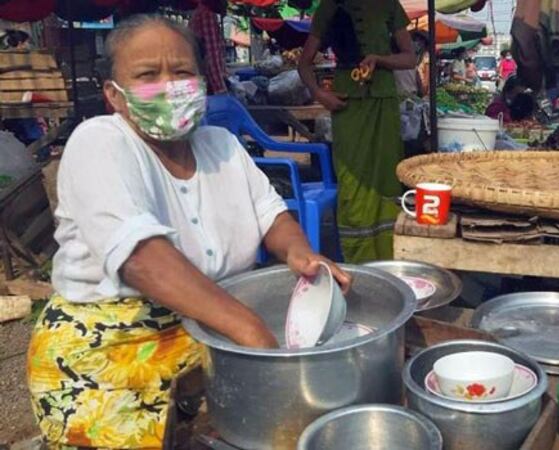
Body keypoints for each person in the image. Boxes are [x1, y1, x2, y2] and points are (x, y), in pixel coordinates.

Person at [26, 15, 351, 449]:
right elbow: (142, 260)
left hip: (205, 338)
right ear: (114, 96)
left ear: (201, 81)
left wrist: (300, 252)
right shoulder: (100, 142)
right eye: (147, 75)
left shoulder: (222, 146)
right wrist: (252, 332)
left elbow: (271, 216)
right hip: (105, 355)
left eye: (181, 72)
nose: (169, 86)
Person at [298, 0, 416, 262]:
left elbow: (410, 58)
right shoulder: (329, 7)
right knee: (352, 183)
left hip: (384, 103)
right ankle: (357, 260)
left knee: (387, 176)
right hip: (347, 105)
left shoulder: (389, 5)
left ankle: (390, 257)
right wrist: (319, 94)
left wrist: (380, 59)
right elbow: (304, 64)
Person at [188, 0, 227, 94]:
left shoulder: (199, 13)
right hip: (208, 83)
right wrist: (220, 89)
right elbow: (212, 55)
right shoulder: (207, 16)